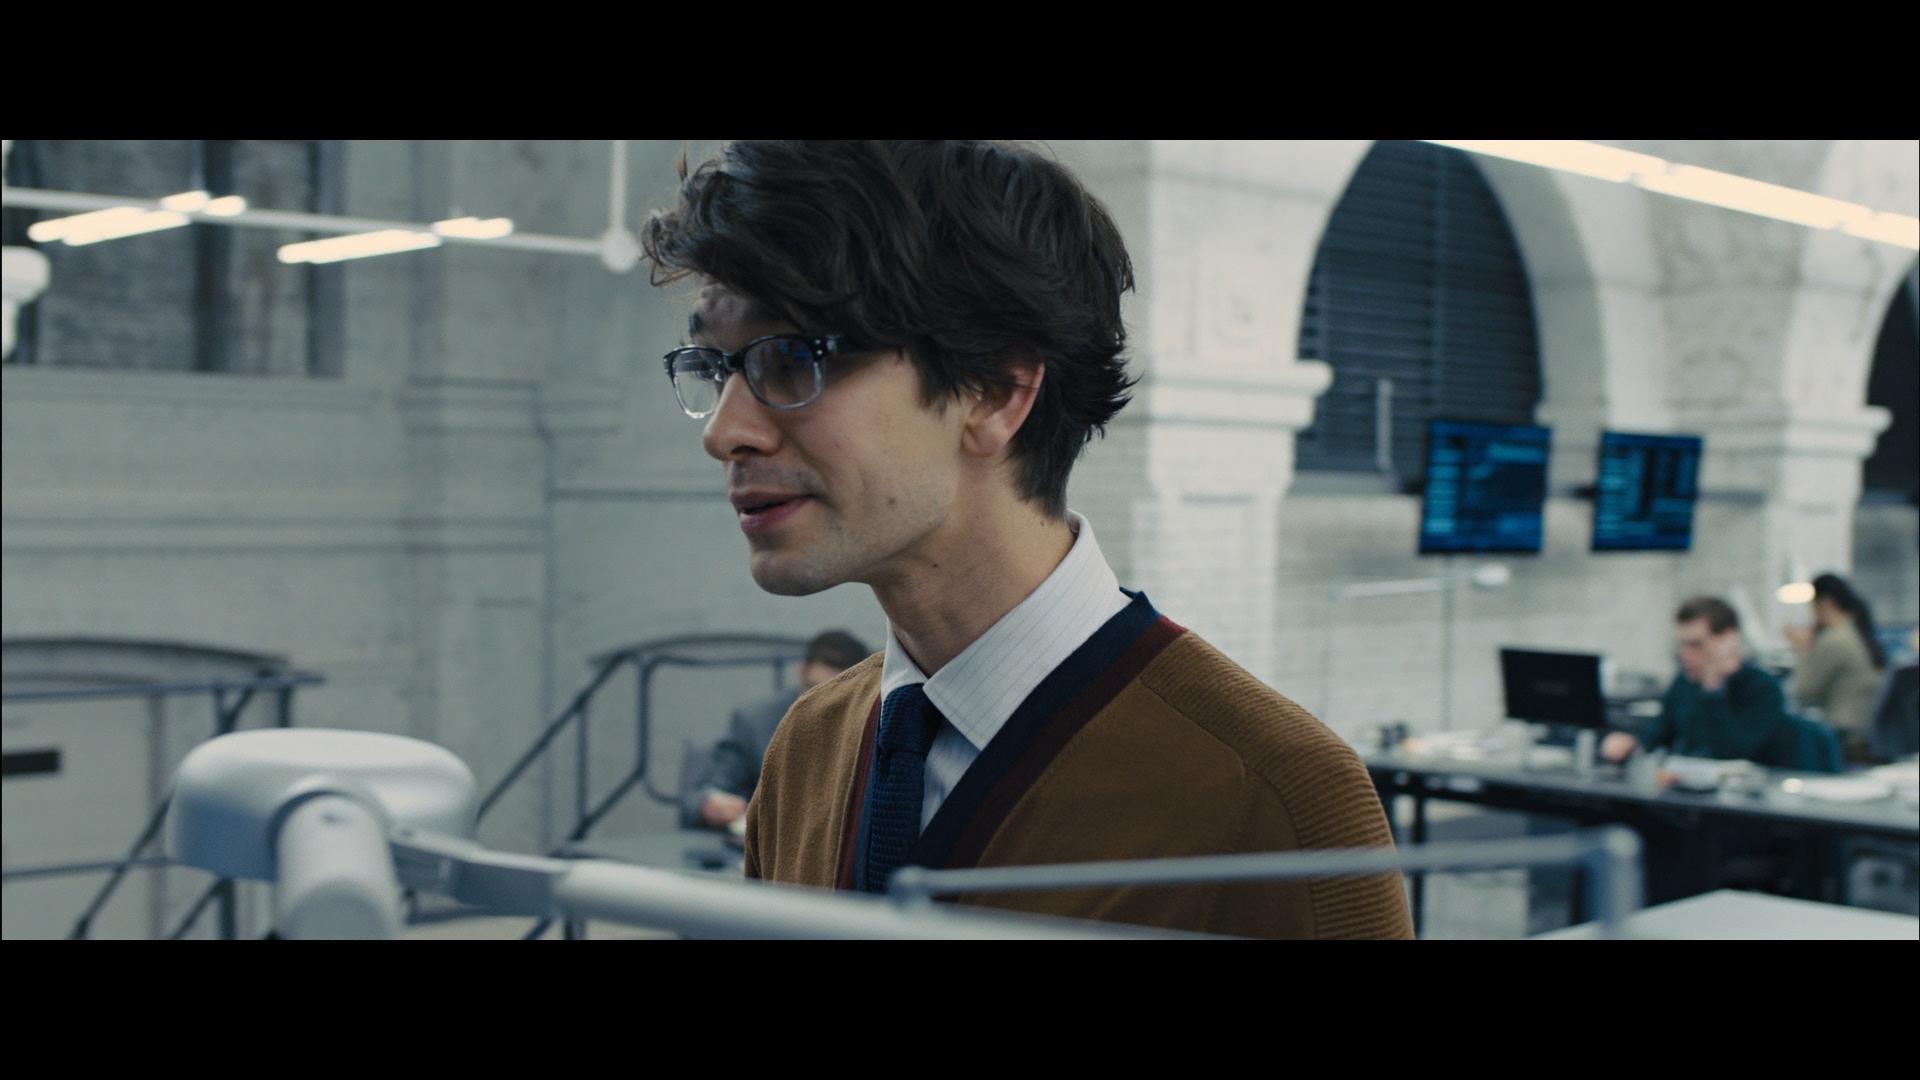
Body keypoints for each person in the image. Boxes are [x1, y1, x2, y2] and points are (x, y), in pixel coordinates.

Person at [640, 140, 1412, 940]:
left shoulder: (1274, 798)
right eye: (715, 368)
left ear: (997, 391)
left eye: (793, 356)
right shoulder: (809, 746)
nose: (724, 431)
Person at [682, 630, 872, 831]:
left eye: (840, 697)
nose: (823, 704)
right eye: (814, 689)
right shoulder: (756, 723)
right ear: (801, 671)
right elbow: (706, 795)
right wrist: (712, 806)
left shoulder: (876, 725)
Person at [1601, 596, 1791, 764]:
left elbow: (1730, 753)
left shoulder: (1763, 688)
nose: (1685, 654)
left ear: (1729, 640)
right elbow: (1656, 736)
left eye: (1696, 644)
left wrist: (1713, 687)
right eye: (1682, 644)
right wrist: (1630, 744)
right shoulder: (1685, 682)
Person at [1784, 573, 1888, 763]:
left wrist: (1802, 650)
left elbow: (1803, 692)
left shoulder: (1835, 639)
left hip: (1844, 740)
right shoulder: (1858, 629)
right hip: (1866, 735)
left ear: (1825, 604)